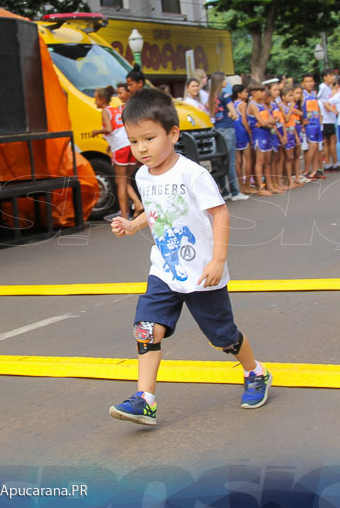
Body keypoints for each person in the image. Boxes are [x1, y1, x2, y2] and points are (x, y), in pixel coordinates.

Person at [108, 88, 271, 425]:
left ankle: (255, 372)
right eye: (134, 140)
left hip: (201, 272)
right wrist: (133, 224)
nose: (141, 149)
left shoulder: (192, 174)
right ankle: (145, 399)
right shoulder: (141, 175)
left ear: (173, 133)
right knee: (146, 328)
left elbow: (221, 215)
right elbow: (155, 212)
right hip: (165, 270)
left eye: (149, 139)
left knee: (223, 337)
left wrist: (217, 261)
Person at [92, 86, 144, 222]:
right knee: (125, 180)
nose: (94, 101)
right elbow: (118, 129)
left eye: (96, 98)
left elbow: (109, 128)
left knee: (121, 182)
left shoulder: (104, 111)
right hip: (128, 144)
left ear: (102, 100)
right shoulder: (115, 109)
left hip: (120, 148)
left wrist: (97, 131)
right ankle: (135, 204)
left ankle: (125, 214)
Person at [208, 71, 248, 201]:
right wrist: (230, 115)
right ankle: (235, 192)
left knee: (220, 161)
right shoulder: (225, 95)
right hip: (228, 128)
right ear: (220, 82)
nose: (226, 81)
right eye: (224, 79)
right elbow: (235, 114)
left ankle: (224, 191)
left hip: (217, 130)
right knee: (231, 161)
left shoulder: (211, 97)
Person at [232, 84, 256, 194]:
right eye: (245, 92)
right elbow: (244, 121)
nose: (247, 94)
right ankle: (247, 185)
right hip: (243, 132)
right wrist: (250, 133)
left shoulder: (232, 104)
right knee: (248, 159)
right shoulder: (243, 104)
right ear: (239, 93)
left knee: (238, 161)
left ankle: (241, 186)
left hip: (235, 132)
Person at [318, 71, 338, 171]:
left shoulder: (328, 88)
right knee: (331, 140)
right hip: (326, 118)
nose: (333, 77)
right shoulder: (323, 87)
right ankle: (333, 163)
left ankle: (329, 163)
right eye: (330, 75)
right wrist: (333, 110)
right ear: (325, 77)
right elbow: (320, 101)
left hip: (330, 118)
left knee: (328, 141)